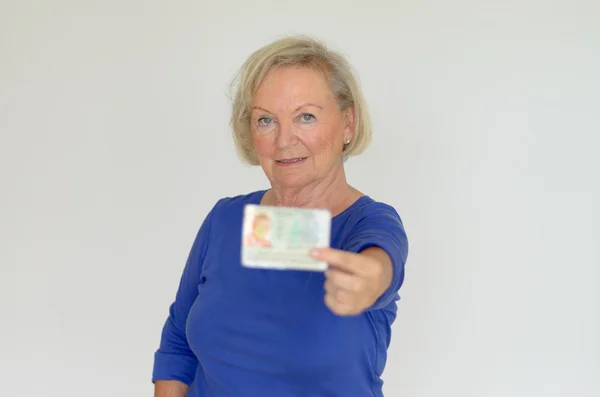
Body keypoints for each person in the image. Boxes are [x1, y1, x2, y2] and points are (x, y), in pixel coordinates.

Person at [152, 35, 409, 397]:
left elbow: (381, 263)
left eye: (306, 117)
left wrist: (370, 280)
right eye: (266, 120)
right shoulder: (226, 219)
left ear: (347, 123)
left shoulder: (366, 225)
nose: (284, 140)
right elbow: (178, 342)